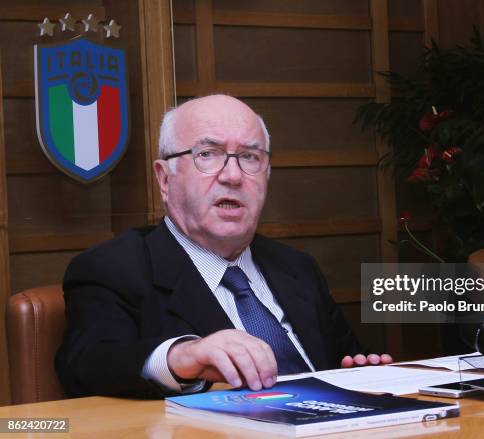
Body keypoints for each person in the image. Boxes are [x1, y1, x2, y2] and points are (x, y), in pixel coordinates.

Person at [56, 95, 392, 398]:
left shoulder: (298, 269)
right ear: (164, 178)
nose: (233, 175)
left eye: (249, 156)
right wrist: (183, 356)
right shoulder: (113, 269)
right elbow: (88, 365)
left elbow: (341, 363)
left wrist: (360, 378)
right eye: (208, 154)